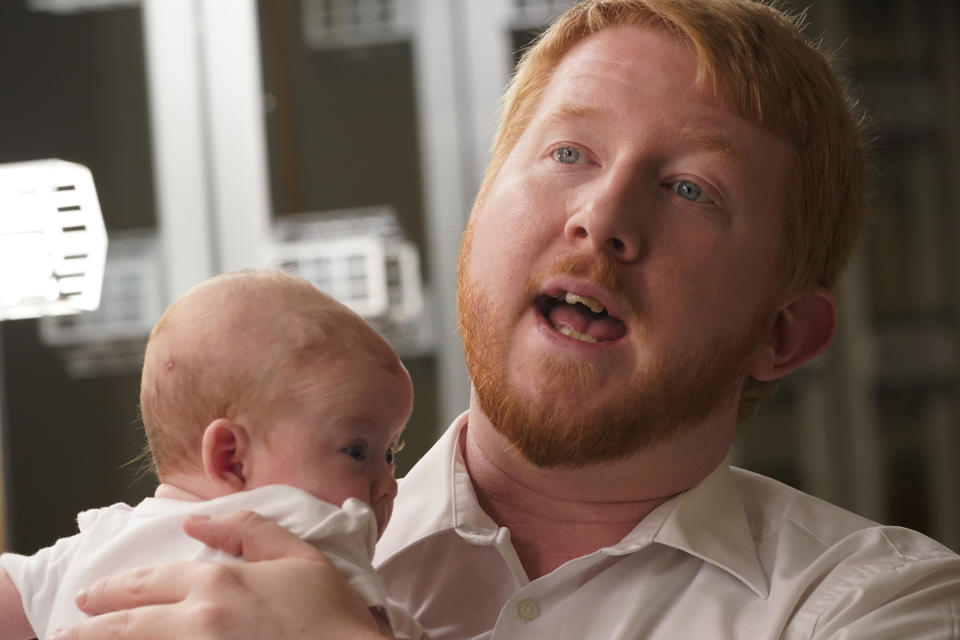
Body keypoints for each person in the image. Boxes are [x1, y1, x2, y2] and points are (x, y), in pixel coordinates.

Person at [50, 0, 960, 638]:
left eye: (690, 188)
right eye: (569, 151)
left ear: (783, 334)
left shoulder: (877, 605)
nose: (601, 216)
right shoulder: (207, 539)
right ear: (478, 215)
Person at [0, 270, 423, 639]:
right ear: (232, 459)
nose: (389, 483)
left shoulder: (95, 544)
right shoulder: (311, 527)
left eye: (389, 454)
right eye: (357, 451)